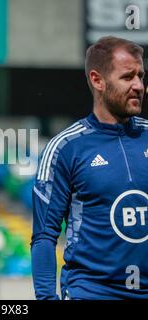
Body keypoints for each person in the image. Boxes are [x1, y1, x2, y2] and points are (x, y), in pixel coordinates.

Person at [31, 36, 148, 299]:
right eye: (128, 77)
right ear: (98, 80)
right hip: (92, 292)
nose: (139, 85)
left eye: (141, 76)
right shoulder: (66, 147)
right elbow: (44, 237)